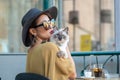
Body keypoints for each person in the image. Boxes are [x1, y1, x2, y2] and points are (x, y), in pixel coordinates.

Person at [21, 6, 77, 80]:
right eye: (46, 24)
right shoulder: (50, 47)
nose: (51, 27)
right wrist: (64, 44)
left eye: (51, 22)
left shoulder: (30, 52)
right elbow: (72, 74)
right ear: (33, 31)